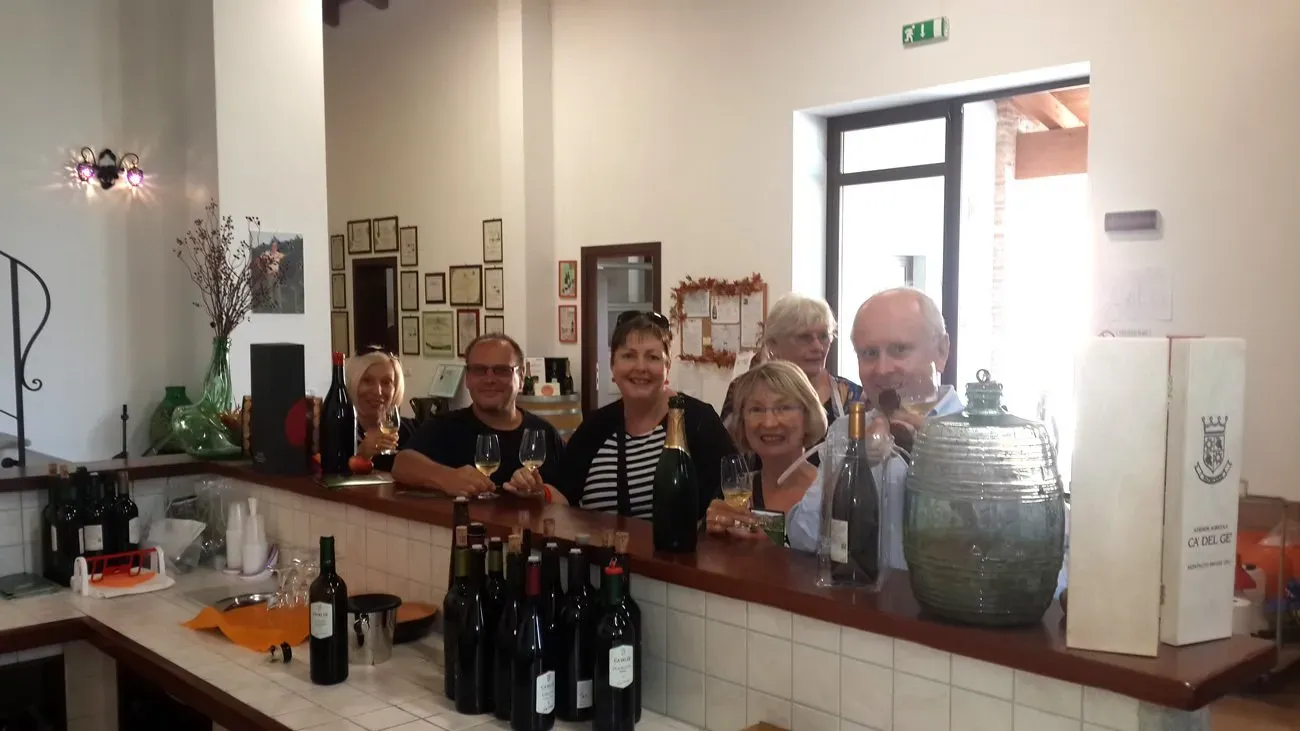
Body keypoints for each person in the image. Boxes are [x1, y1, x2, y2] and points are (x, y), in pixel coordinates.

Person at [786, 288, 965, 569]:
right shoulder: (847, 431)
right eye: (869, 353)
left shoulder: (985, 440)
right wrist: (850, 465)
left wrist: (942, 457)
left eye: (900, 349)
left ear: (941, 352)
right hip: (864, 608)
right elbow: (803, 538)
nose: (882, 370)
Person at [508, 311, 735, 521]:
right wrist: (537, 491)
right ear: (613, 366)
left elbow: (733, 489)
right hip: (602, 560)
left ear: (667, 367)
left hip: (676, 561)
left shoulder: (698, 420)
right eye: (628, 356)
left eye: (653, 357)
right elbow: (563, 494)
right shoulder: (596, 426)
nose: (640, 367)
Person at [392, 334, 565, 498]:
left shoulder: (544, 433)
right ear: (467, 378)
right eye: (479, 370)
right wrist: (447, 478)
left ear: (521, 378)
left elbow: (568, 499)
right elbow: (402, 464)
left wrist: (541, 493)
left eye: (501, 370)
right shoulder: (445, 427)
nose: (489, 379)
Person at [703, 361, 829, 543]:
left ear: (808, 415)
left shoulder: (831, 494)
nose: (769, 422)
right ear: (742, 421)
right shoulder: (735, 491)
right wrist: (714, 534)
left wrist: (773, 546)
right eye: (756, 409)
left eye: (784, 407)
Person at [719, 293, 861, 430]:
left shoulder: (853, 396)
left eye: (824, 336)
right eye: (805, 337)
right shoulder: (743, 392)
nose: (818, 347)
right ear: (774, 343)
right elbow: (727, 449)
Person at [346, 348, 416, 472]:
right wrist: (360, 454)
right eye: (367, 381)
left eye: (386, 382)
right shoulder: (337, 431)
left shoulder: (409, 432)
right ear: (352, 383)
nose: (378, 392)